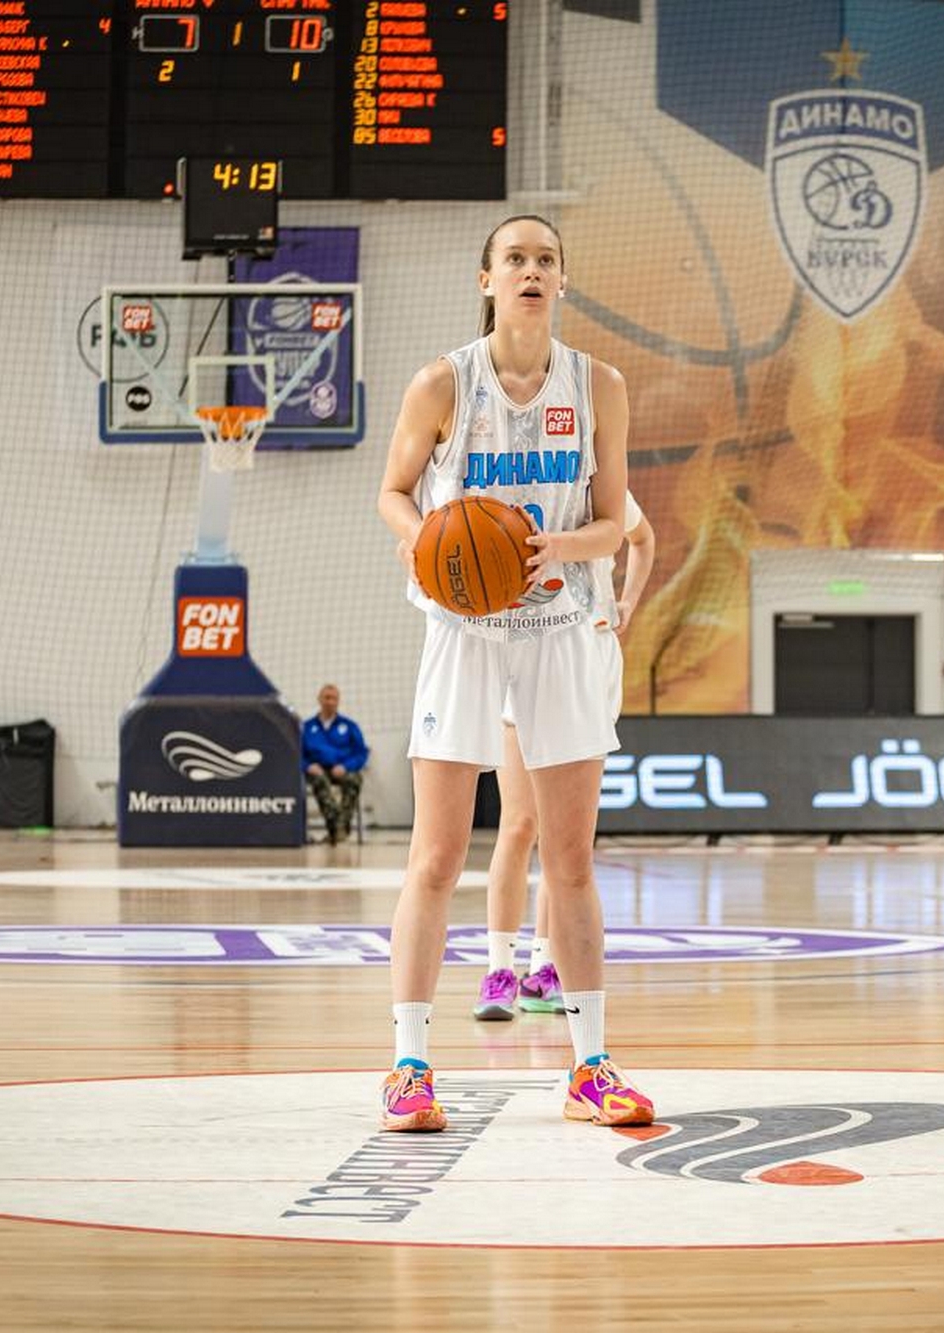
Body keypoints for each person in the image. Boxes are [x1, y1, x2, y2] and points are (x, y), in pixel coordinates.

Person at [375, 214, 654, 1133]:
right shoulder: (442, 383)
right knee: (436, 855)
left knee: (569, 858)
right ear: (486, 279)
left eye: (546, 260)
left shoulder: (599, 385)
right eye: (515, 259)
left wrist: (554, 548)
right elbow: (393, 492)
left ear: (562, 281)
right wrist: (430, 544)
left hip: (562, 629)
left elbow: (616, 524)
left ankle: (591, 1068)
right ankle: (409, 1067)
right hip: (464, 630)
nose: (531, 271)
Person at [475, 490, 656, 1020]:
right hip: (526, 650)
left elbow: (643, 540)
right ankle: (498, 971)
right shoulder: (515, 487)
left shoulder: (604, 490)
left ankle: (544, 967)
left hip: (590, 659)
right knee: (519, 824)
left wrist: (628, 601)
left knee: (565, 839)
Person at [302, 684, 368, 845]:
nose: (330, 702)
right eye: (327, 698)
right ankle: (339, 827)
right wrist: (307, 766)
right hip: (317, 769)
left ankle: (337, 829)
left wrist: (346, 766)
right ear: (319, 699)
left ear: (338, 701)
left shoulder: (350, 726)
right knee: (319, 781)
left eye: (334, 698)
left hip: (341, 768)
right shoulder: (307, 727)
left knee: (354, 779)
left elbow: (361, 753)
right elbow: (297, 754)